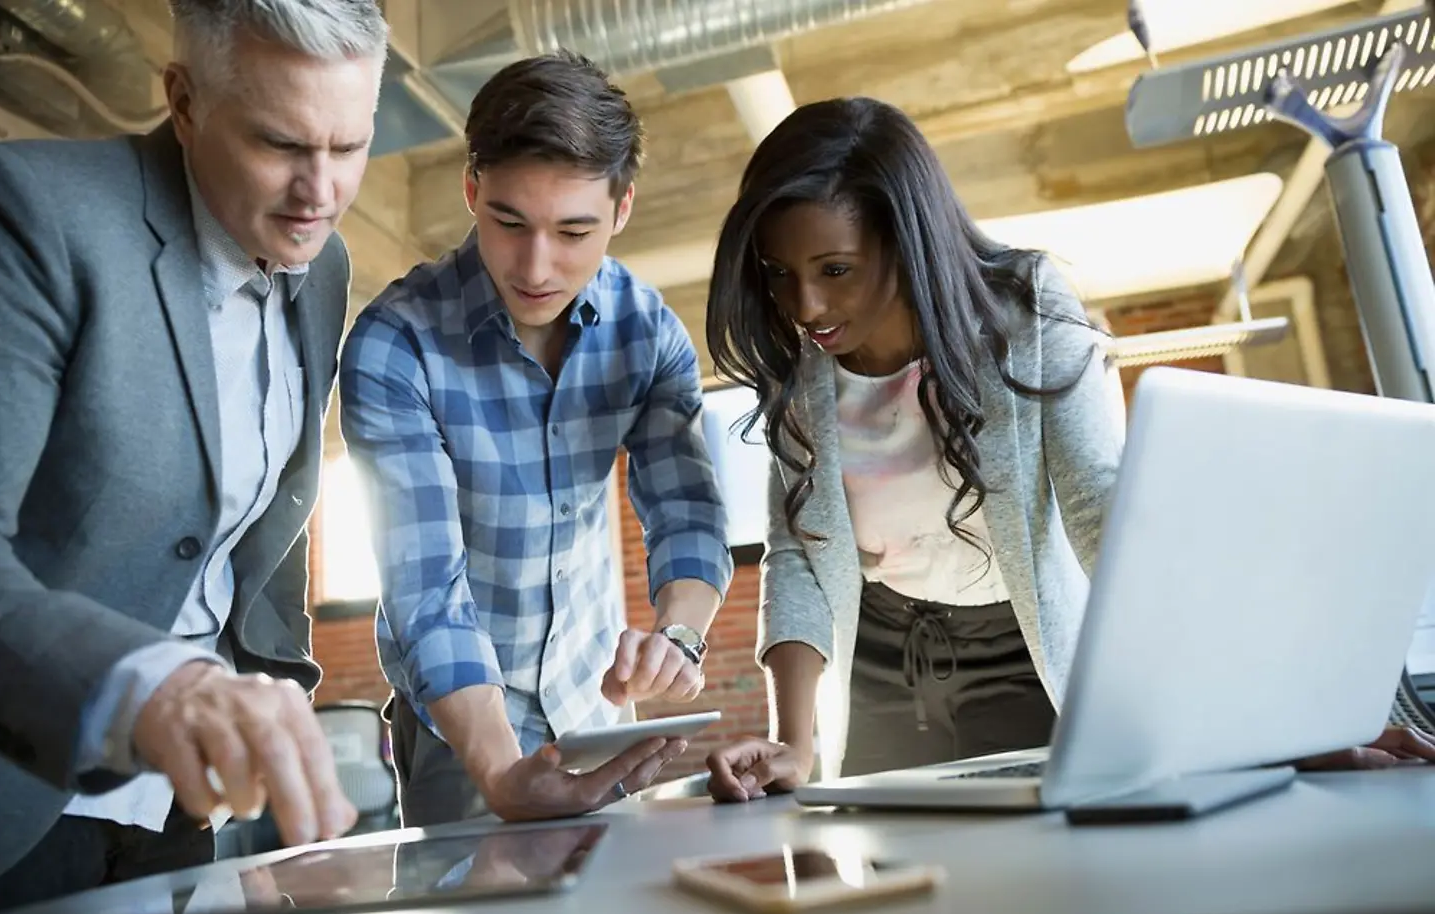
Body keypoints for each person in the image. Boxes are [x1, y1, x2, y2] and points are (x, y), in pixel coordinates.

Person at [703, 97, 1435, 802]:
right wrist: (792, 741)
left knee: (1055, 885)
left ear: (906, 239)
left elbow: (1105, 512)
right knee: (906, 902)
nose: (805, 308)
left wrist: (1282, 714)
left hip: (1021, 650)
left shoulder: (1027, 310)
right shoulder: (801, 374)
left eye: (835, 270)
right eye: (778, 275)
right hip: (882, 663)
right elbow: (797, 553)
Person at [0, 0, 388, 909]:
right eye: (281, 144)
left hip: (183, 810)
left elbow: (262, 528)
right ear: (183, 100)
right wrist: (158, 689)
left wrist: (274, 720)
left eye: (350, 146)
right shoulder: (34, 219)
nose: (320, 191)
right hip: (21, 793)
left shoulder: (318, 268)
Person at [339, 51, 733, 828]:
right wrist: (499, 768)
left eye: (574, 231)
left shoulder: (646, 329)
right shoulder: (394, 345)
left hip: (596, 710)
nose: (536, 266)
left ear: (622, 210)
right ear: (471, 190)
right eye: (508, 222)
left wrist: (679, 635)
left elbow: (687, 513)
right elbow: (426, 592)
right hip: (463, 727)